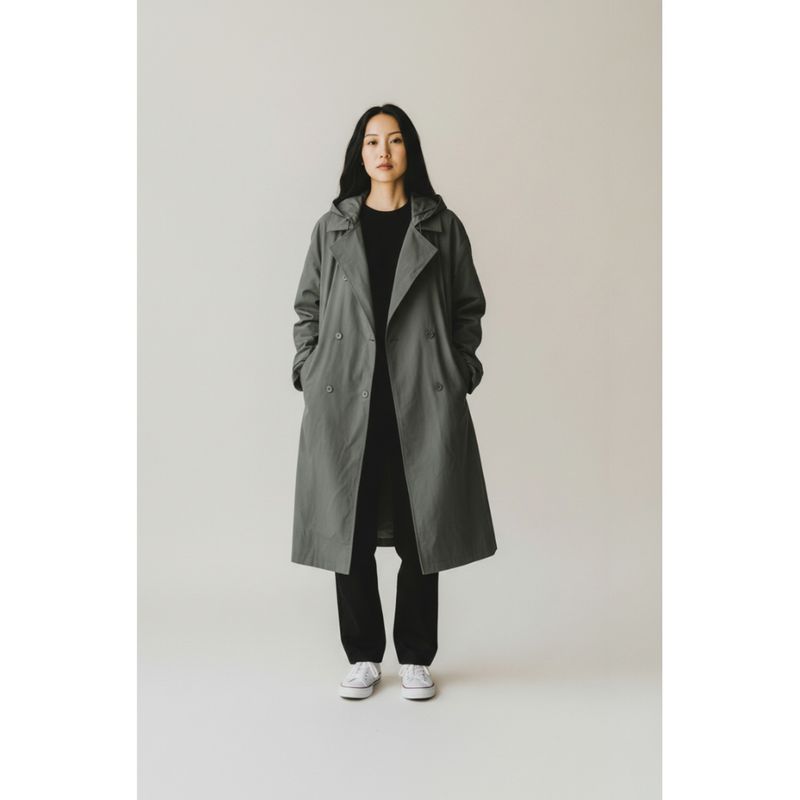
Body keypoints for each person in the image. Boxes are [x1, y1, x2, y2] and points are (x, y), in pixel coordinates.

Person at [291, 104, 497, 701]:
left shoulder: (441, 225)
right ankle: (362, 656)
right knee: (347, 532)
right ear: (359, 153)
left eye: (395, 140)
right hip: (345, 397)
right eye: (372, 141)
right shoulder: (332, 228)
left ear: (410, 151)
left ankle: (415, 658)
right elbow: (307, 307)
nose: (383, 152)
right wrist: (308, 368)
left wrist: (459, 369)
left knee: (420, 531)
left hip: (420, 398)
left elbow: (468, 306)